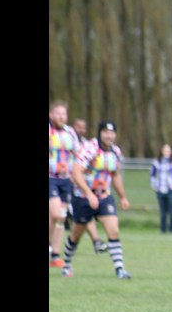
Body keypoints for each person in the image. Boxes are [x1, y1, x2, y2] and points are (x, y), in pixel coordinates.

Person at [62, 121, 132, 279]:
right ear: (100, 133)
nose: (109, 135)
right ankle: (66, 264)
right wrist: (88, 194)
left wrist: (122, 197)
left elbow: (115, 175)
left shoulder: (115, 151)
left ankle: (119, 269)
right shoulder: (90, 148)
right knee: (76, 235)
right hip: (82, 197)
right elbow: (76, 172)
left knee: (113, 230)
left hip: (104, 196)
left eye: (112, 132)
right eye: (106, 132)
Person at [70, 118, 109, 255]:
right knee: (60, 217)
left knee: (81, 217)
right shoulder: (67, 138)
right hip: (61, 181)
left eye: (83, 127)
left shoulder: (88, 144)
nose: (81, 130)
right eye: (78, 126)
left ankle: (96, 241)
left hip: (77, 185)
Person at [49, 100, 81, 268]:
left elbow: (77, 153)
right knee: (55, 214)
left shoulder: (70, 133)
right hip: (50, 178)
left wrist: (78, 173)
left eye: (64, 114)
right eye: (58, 114)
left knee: (60, 218)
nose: (62, 117)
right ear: (51, 115)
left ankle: (54, 255)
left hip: (65, 180)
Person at [150, 144, 172, 234]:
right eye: (165, 150)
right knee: (163, 212)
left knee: (171, 211)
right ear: (161, 151)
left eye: (168, 151)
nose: (167, 152)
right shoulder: (156, 162)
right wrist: (154, 185)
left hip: (171, 190)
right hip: (160, 190)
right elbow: (152, 175)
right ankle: (163, 230)